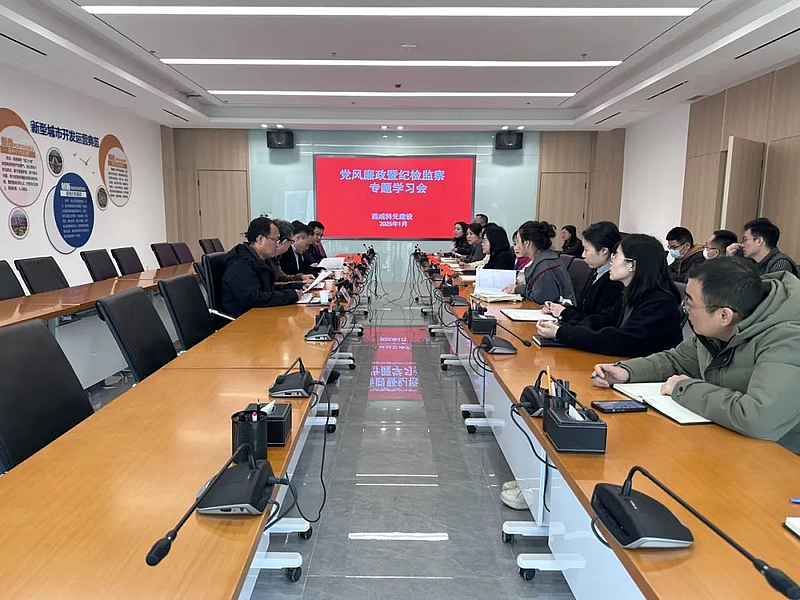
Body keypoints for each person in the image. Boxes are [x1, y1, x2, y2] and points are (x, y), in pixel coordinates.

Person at [592, 257, 800, 454]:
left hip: (779, 458)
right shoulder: (721, 327)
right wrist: (626, 372)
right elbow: (677, 360)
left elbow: (757, 417)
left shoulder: (788, 340)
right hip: (726, 438)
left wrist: (684, 388)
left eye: (690, 303)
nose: (685, 309)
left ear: (724, 315)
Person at [537, 234, 683, 357]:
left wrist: (562, 332)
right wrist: (561, 327)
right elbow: (601, 322)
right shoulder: (633, 294)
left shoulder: (659, 302)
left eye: (616, 257)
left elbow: (621, 341)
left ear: (632, 265)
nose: (611, 262)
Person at [542, 221, 623, 321]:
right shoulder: (598, 273)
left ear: (604, 250)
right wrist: (559, 309)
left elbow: (595, 322)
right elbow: (584, 311)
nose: (583, 255)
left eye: (586, 250)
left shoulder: (614, 283)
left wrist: (564, 313)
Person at [221, 217, 301, 317]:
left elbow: (268, 289)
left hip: (259, 313)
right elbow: (252, 298)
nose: (277, 244)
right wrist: (290, 295)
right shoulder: (240, 263)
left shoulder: (262, 259)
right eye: (275, 239)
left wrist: (296, 287)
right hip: (243, 319)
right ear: (260, 239)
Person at [503, 221, 575, 304]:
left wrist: (518, 289)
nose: (515, 246)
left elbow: (540, 298)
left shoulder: (545, 265)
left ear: (527, 243)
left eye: (517, 241)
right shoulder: (544, 259)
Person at [726, 217, 798, 276]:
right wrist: (729, 260)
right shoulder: (749, 262)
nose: (741, 245)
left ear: (759, 241)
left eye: (745, 240)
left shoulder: (780, 263)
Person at [271, 219, 314, 289]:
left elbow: (282, 278)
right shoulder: (265, 257)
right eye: (291, 241)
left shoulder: (275, 257)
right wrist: (298, 285)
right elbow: (270, 287)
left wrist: (300, 277)